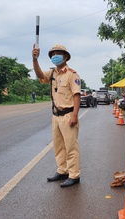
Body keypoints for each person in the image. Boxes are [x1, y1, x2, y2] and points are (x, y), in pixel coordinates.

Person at [32, 44, 81, 187]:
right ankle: (62, 170)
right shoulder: (53, 73)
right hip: (56, 116)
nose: (55, 56)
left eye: (58, 54)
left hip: (68, 115)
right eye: (53, 54)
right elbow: (40, 75)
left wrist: (75, 115)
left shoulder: (72, 74)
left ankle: (74, 175)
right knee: (59, 146)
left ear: (65, 57)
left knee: (71, 146)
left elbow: (76, 95)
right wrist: (35, 59)